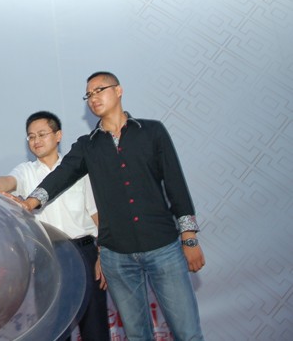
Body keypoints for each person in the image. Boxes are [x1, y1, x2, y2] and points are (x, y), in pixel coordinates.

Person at [21, 72, 205, 341]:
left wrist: (189, 237)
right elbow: (62, 174)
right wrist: (30, 201)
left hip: (163, 247)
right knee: (137, 335)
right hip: (117, 257)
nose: (93, 98)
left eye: (99, 90)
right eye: (88, 94)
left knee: (187, 332)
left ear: (119, 91)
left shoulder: (152, 131)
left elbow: (175, 184)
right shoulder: (87, 145)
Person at [0, 111, 110, 341]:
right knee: (54, 329)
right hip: (49, 255)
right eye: (31, 137)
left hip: (84, 252)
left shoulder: (79, 168)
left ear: (58, 136)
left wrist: (103, 253)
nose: (36, 141)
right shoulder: (26, 171)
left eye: (42, 134)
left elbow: (96, 215)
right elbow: (8, 181)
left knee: (95, 327)